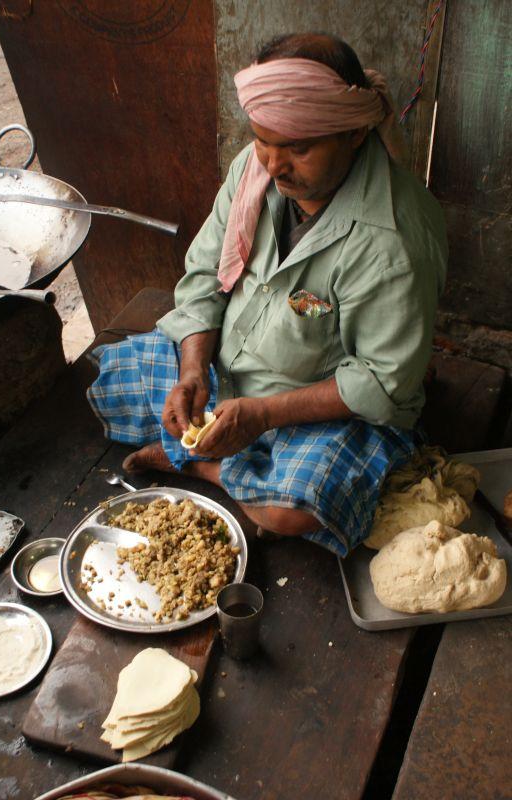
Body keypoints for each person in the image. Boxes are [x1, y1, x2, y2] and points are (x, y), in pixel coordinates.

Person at [88, 33, 447, 556]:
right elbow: (207, 273)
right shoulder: (254, 169)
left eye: (298, 147)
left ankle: (200, 463)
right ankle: (230, 461)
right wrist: (193, 371)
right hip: (228, 375)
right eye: (262, 139)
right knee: (110, 383)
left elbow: (380, 381)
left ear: (352, 133)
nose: (274, 165)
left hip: (316, 407)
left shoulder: (390, 240)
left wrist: (262, 414)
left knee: (293, 510)